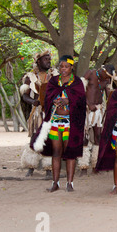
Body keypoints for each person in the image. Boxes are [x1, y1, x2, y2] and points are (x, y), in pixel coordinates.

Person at [31, 55, 86, 192]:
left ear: (71, 67)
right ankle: (55, 183)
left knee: (69, 152)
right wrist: (54, 101)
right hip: (55, 121)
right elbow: (47, 98)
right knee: (56, 152)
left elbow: (81, 100)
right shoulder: (54, 81)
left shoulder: (77, 82)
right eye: (61, 66)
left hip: (70, 123)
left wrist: (69, 101)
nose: (63, 69)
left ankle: (69, 183)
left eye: (66, 66)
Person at [19, 49, 59, 178]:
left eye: (49, 59)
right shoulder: (29, 77)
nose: (48, 61)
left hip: (51, 112)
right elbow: (24, 96)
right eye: (45, 59)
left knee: (49, 138)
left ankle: (48, 169)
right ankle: (31, 167)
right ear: (38, 61)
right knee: (35, 137)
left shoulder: (55, 76)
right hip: (37, 113)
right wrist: (33, 101)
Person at [79, 64, 115, 176]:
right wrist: (88, 104)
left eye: (110, 77)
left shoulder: (106, 80)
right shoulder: (90, 73)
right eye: (107, 76)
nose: (108, 79)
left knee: (98, 137)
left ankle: (96, 165)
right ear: (103, 71)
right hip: (86, 110)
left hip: (98, 110)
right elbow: (79, 90)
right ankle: (83, 167)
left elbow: (109, 96)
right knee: (84, 138)